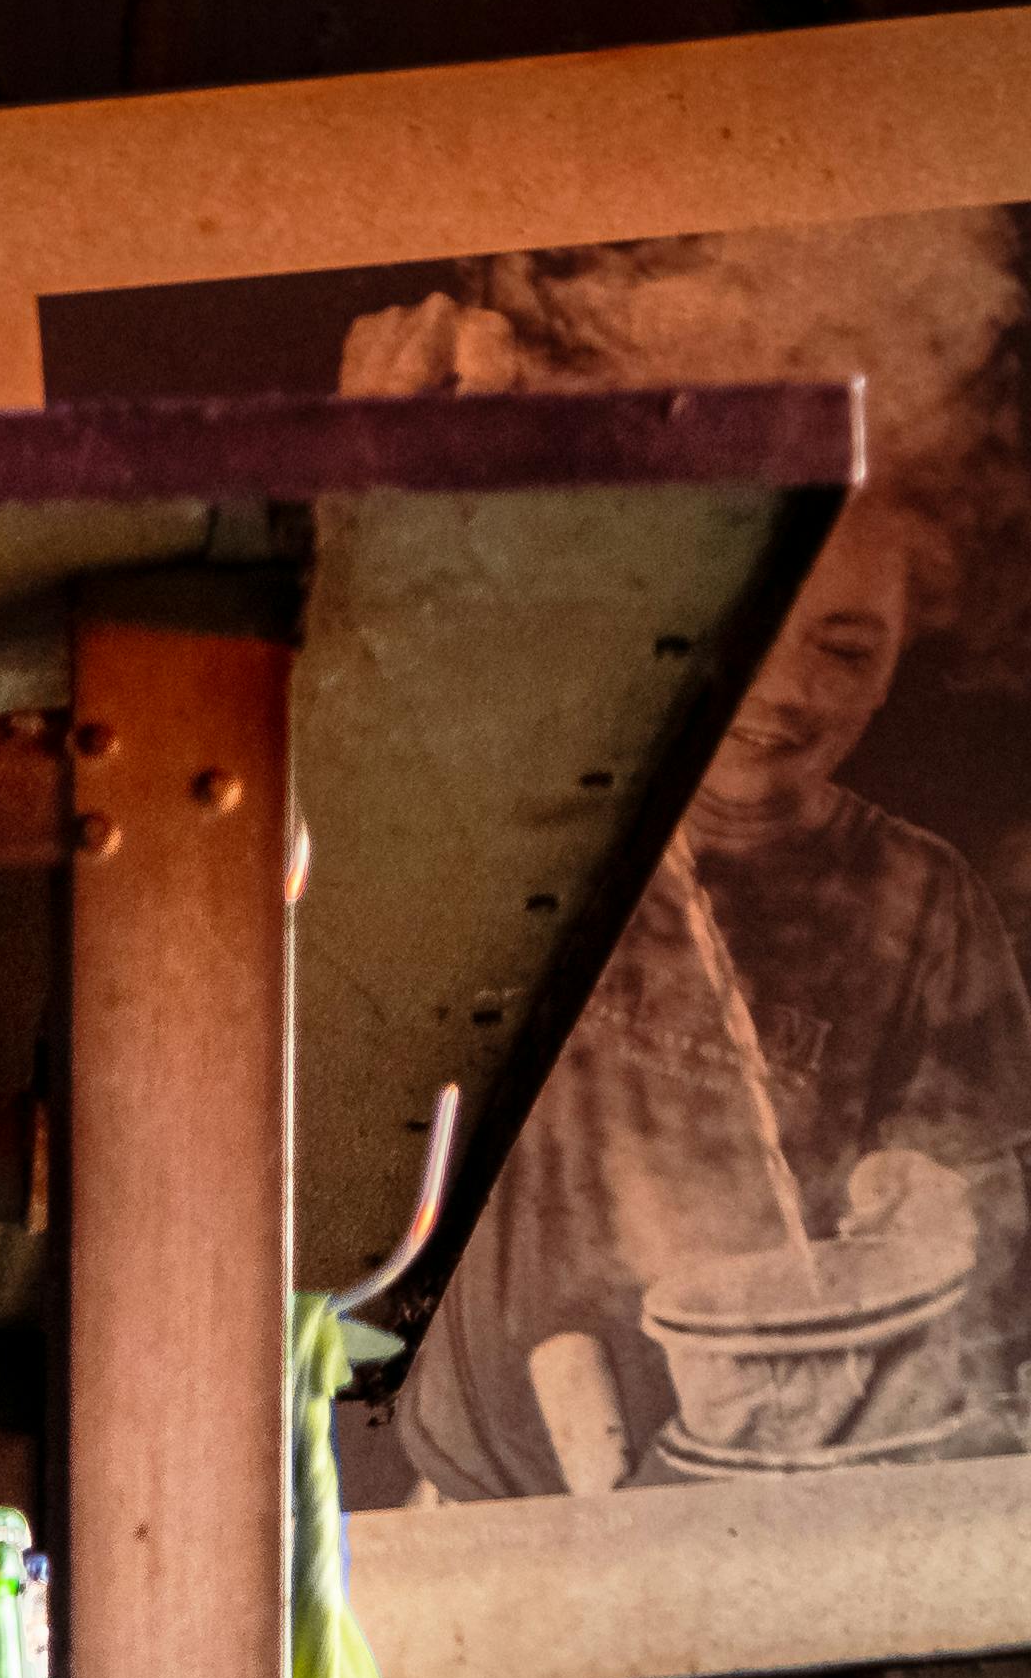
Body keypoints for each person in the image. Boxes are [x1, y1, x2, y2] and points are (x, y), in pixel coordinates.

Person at [390, 489, 1031, 1497]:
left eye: (847, 651)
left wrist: (930, 1209)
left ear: (893, 668)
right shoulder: (533, 828)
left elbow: (989, 1216)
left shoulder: (921, 899)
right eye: (755, 628)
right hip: (479, 1483)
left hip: (772, 1495)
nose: (786, 691)